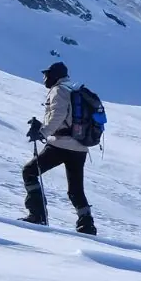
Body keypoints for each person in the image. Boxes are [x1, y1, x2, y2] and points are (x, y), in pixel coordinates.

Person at [23, 61, 95, 235]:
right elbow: (66, 117)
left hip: (61, 144)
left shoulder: (59, 90)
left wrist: (42, 132)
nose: (44, 78)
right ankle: (87, 226)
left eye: (46, 75)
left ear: (54, 75)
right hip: (80, 147)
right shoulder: (73, 89)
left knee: (30, 171)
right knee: (76, 189)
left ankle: (37, 214)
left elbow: (58, 115)